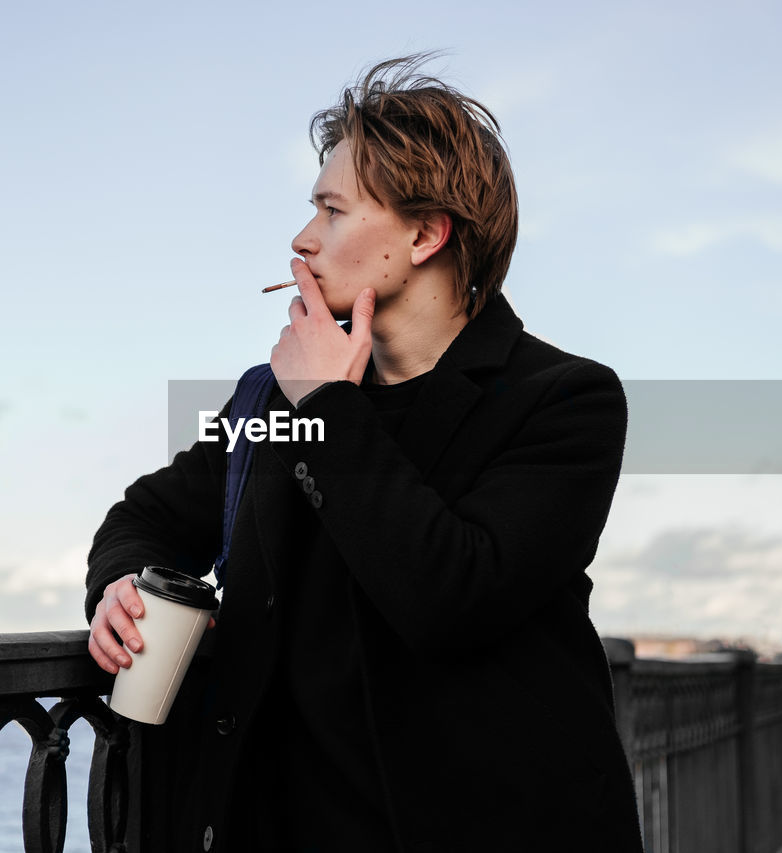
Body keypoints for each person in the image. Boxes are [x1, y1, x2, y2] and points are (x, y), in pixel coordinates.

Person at [85, 55, 643, 852]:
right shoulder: (270, 399)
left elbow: (453, 597)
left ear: (425, 233)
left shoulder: (562, 399)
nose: (302, 239)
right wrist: (118, 587)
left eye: (333, 211)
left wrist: (328, 407)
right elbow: (145, 516)